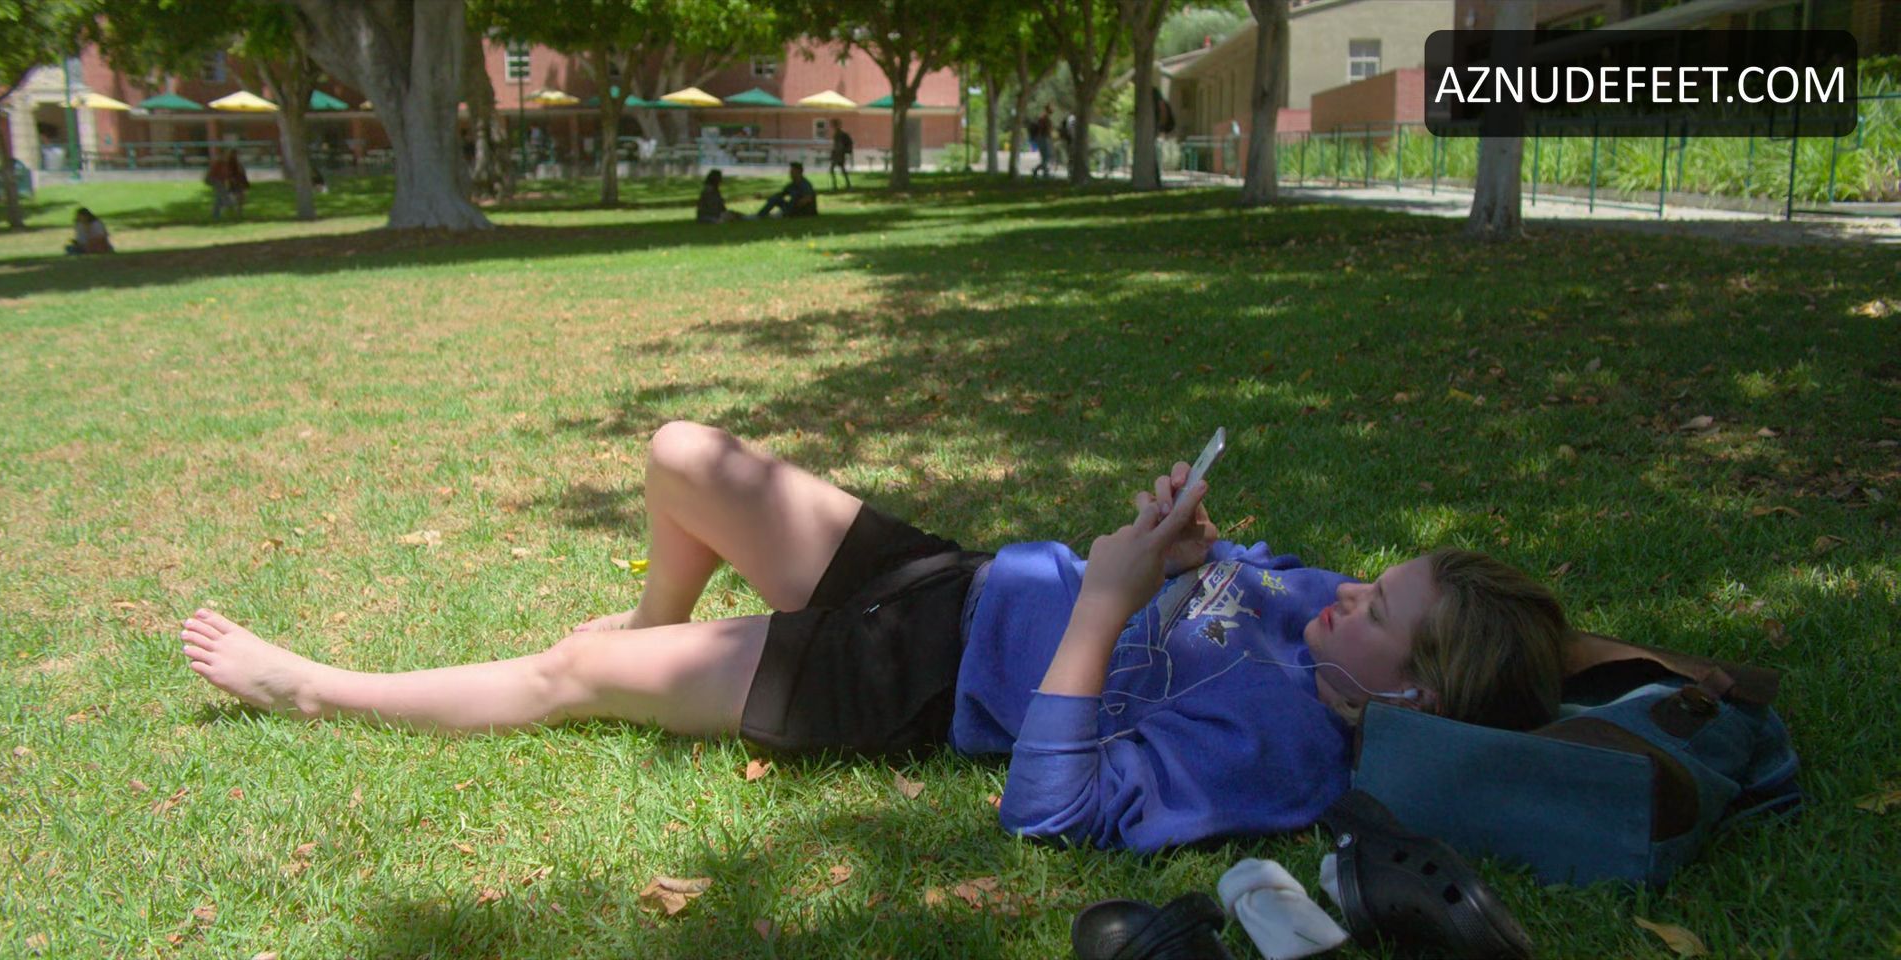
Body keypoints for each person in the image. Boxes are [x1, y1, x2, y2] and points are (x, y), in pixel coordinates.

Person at [180, 421, 1571, 853]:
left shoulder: (1284, 753)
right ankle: (661, 624)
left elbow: (1051, 809)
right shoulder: (1313, 609)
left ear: (1414, 698)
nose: (1346, 591)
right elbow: (1241, 582)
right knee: (681, 455)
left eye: (1379, 611)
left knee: (577, 677)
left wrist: (1105, 600)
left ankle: (316, 689)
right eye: (1371, 578)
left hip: (907, 680)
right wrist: (1188, 549)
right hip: (946, 581)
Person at [205, 149, 248, 220]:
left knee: (219, 198)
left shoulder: (233, 163)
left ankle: (215, 216)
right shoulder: (222, 162)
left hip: (222, 181)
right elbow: (214, 173)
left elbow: (236, 174)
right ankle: (224, 211)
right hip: (216, 180)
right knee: (226, 200)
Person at [828, 119, 854, 191]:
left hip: (840, 154)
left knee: (834, 169)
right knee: (840, 170)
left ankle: (837, 186)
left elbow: (844, 145)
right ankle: (846, 185)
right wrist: (833, 153)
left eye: (834, 125)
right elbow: (836, 146)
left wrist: (844, 150)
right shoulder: (837, 134)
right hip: (838, 154)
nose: (833, 126)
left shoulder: (841, 134)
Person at [1029, 108, 1054, 178]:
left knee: (1046, 158)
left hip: (1044, 138)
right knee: (1046, 157)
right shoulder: (1044, 118)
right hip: (1043, 139)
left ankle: (1040, 172)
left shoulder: (1045, 117)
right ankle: (1041, 172)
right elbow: (1042, 129)